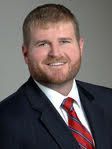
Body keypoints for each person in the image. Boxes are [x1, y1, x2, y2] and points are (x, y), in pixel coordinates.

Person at [0, 3, 112, 149]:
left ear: (80, 47)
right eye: (43, 44)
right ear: (26, 53)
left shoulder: (108, 100)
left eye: (64, 41)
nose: (56, 53)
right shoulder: (6, 120)